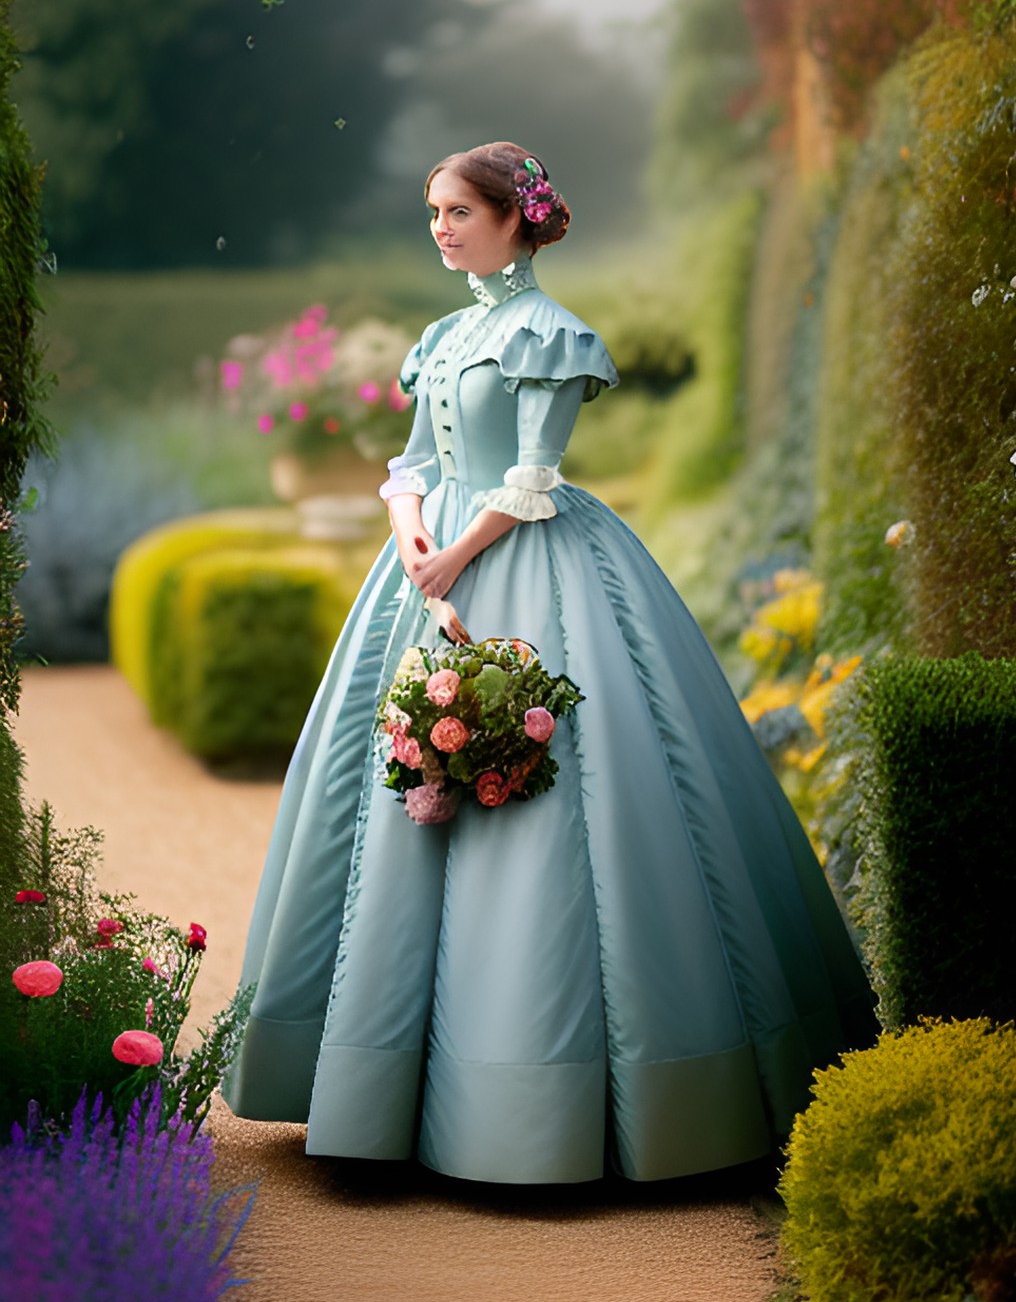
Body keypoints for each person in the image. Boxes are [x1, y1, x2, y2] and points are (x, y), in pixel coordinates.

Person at [224, 141, 874, 1183]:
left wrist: (456, 561)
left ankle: (577, 1098)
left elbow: (533, 476)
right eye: (431, 211)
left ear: (514, 218)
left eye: (457, 211)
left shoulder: (552, 334)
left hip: (536, 572)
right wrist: (408, 538)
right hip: (429, 570)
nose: (440, 227)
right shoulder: (442, 336)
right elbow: (414, 463)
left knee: (580, 803)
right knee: (387, 793)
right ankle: (377, 1084)